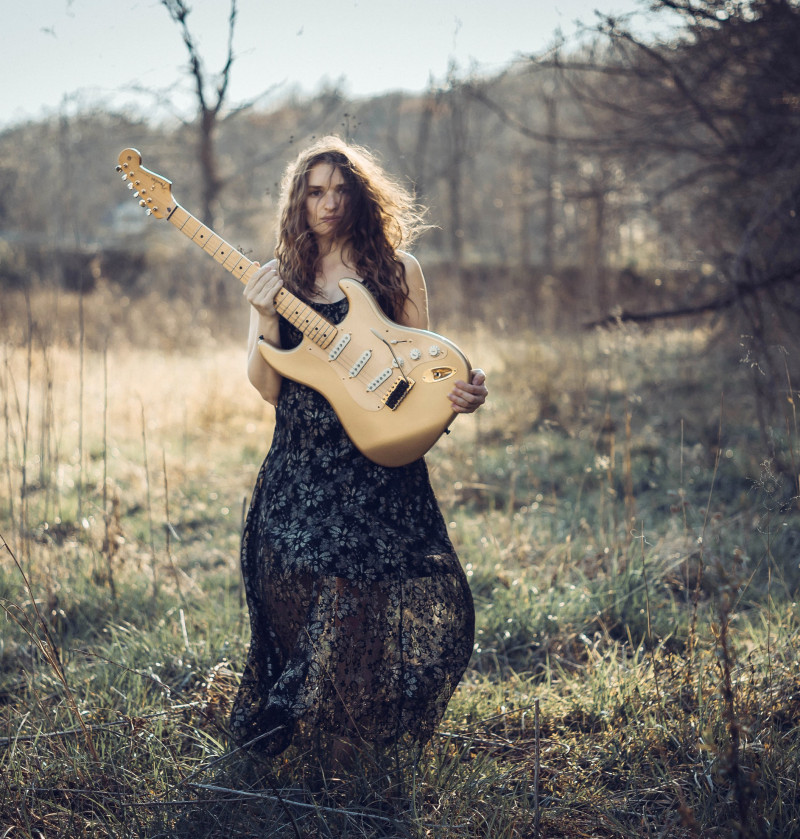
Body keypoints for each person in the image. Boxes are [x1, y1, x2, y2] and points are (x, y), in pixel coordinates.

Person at [229, 136, 488, 761]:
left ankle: (353, 739)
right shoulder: (281, 278)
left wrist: (460, 395)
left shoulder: (397, 271)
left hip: (375, 464)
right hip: (301, 461)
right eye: (315, 192)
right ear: (299, 200)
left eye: (341, 190)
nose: (329, 204)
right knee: (290, 582)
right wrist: (265, 316)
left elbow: (423, 373)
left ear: (362, 197)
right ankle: (304, 719)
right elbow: (267, 387)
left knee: (366, 592)